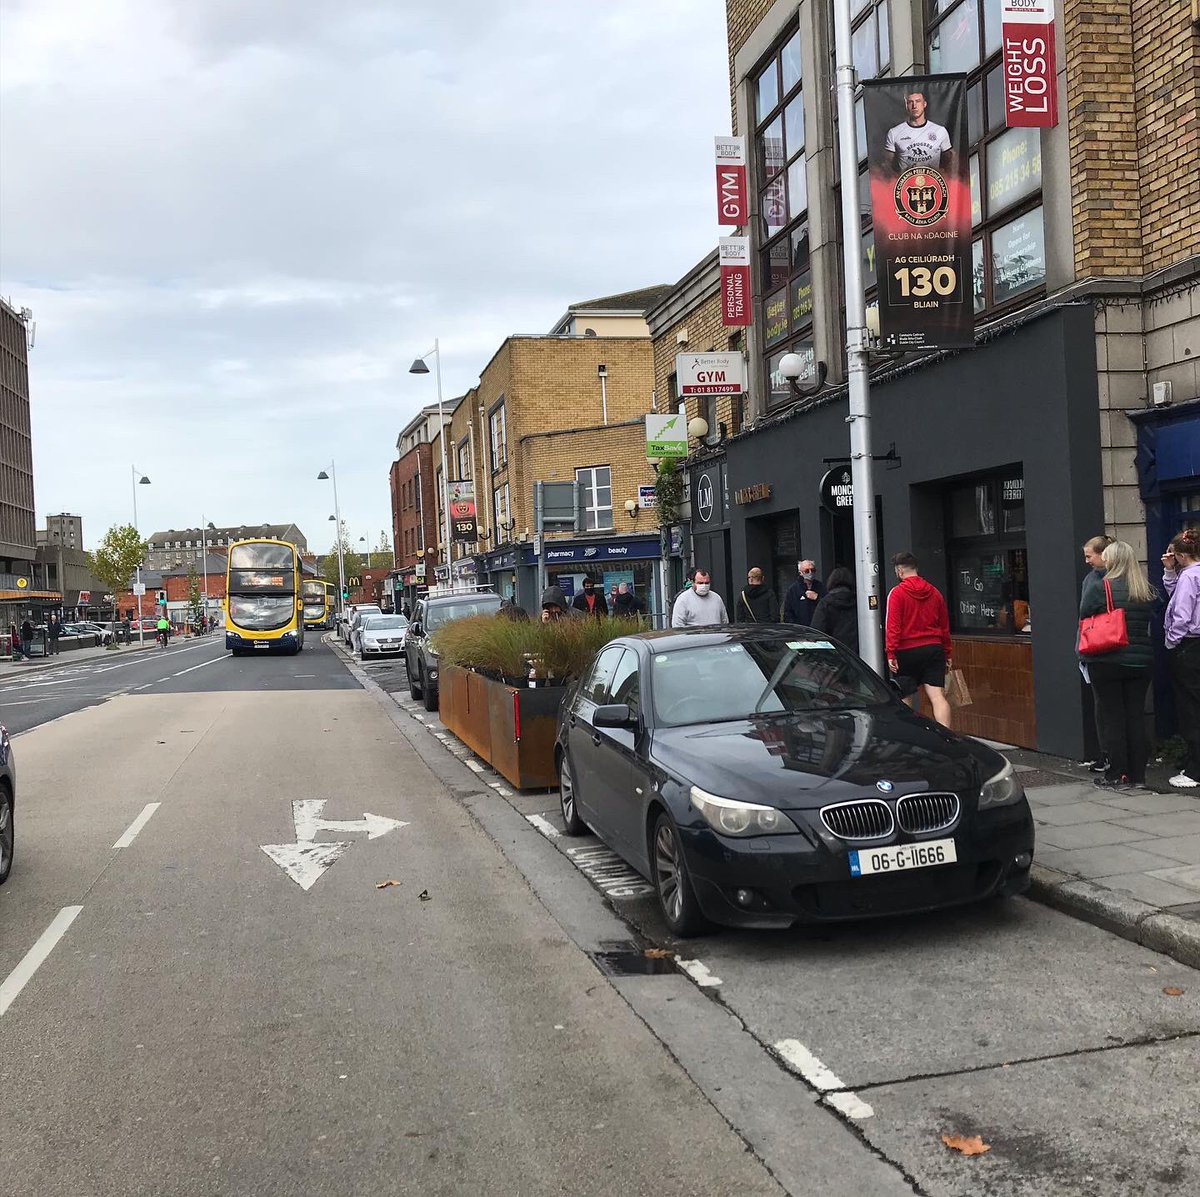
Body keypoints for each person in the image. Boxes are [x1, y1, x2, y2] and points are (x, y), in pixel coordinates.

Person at [1081, 541, 1156, 791]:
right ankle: (1138, 776)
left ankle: (1116, 775)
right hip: (1141, 662)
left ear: (1111, 560)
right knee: (1135, 718)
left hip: (1108, 660)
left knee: (1112, 718)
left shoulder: (1101, 587)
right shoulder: (1144, 589)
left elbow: (1084, 613)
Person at [885, 552, 953, 729]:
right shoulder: (935, 592)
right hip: (933, 649)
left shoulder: (897, 594)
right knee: (937, 696)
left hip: (906, 651)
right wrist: (947, 652)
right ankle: (947, 737)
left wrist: (890, 652)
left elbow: (893, 626)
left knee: (904, 696)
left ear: (900, 571)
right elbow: (944, 626)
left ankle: (910, 735)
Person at [1162, 529, 1200, 789]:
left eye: (1173, 555)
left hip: (1188, 646)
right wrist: (1169, 572)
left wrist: (1172, 641)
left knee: (1190, 708)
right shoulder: (1189, 574)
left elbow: (1182, 614)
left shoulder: (1189, 576)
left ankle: (1195, 770)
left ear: (1181, 555)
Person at [1081, 535, 1115, 773]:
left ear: (1104, 554)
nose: (1087, 561)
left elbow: (1084, 612)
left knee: (1105, 706)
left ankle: (1110, 755)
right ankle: (1110, 754)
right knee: (1105, 707)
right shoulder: (1093, 578)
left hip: (1103, 648)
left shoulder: (1096, 581)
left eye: (1089, 555)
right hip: (1103, 646)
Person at [885, 90, 954, 173]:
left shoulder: (940, 131)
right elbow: (887, 165)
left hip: (933, 184)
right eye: (910, 102)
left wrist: (945, 176)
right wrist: (897, 179)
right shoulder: (894, 133)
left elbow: (951, 161)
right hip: (907, 184)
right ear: (906, 105)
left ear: (924, 104)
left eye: (918, 101)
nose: (914, 106)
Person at [811, 567, 858, 652]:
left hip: (834, 653)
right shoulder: (857, 601)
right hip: (855, 652)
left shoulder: (825, 603)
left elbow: (817, 630)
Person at [783, 560, 824, 625]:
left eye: (812, 570)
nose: (810, 573)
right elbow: (788, 613)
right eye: (807, 571)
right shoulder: (793, 590)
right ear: (800, 573)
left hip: (818, 629)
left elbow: (828, 607)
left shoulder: (821, 587)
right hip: (801, 630)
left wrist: (817, 598)